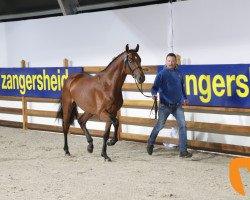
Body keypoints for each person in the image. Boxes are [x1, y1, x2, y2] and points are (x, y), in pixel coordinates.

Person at [147, 53, 192, 158]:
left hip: (177, 106)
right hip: (164, 106)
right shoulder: (161, 74)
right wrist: (154, 94)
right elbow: (154, 88)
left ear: (175, 62)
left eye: (172, 61)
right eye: (169, 61)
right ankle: (150, 142)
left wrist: (185, 98)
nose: (171, 63)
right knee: (160, 125)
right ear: (166, 61)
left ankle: (183, 151)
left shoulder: (179, 74)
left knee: (183, 126)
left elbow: (182, 88)